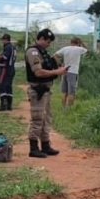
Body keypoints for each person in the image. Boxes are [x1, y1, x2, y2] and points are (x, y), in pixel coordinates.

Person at [24, 28, 68, 158]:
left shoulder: (43, 53)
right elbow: (38, 72)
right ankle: (33, 148)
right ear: (41, 39)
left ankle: (45, 145)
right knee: (37, 119)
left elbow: (48, 67)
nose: (49, 44)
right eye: (47, 41)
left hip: (46, 90)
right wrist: (57, 72)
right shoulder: (33, 52)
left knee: (46, 119)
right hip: (38, 90)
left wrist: (57, 67)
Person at [55, 37, 89, 107]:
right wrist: (82, 43)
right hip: (73, 72)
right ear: (78, 43)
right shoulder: (79, 49)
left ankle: (63, 108)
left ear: (71, 42)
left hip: (64, 71)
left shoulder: (65, 48)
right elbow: (87, 51)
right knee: (72, 92)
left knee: (64, 92)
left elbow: (55, 55)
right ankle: (69, 109)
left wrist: (60, 65)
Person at [0, 33, 16, 111]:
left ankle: (3, 105)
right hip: (11, 69)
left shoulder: (8, 47)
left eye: (3, 40)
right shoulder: (13, 47)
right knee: (8, 87)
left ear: (6, 40)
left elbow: (5, 57)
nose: (2, 41)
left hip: (5, 69)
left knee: (1, 86)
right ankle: (9, 105)